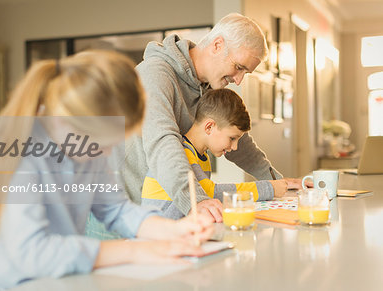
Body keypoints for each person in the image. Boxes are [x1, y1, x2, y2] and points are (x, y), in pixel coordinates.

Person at [0, 50, 213, 290]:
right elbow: (33, 253)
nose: (107, 154)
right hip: (4, 283)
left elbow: (116, 209)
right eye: (103, 143)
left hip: (58, 276)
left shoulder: (85, 143)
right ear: (64, 121)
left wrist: (172, 230)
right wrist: (135, 251)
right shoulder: (16, 153)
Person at [124, 12, 302, 223]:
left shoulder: (207, 87)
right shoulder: (155, 75)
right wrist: (196, 202)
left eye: (245, 73)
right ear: (217, 45)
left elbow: (241, 144)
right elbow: (162, 142)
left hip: (160, 217)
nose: (238, 80)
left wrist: (278, 182)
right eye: (238, 67)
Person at [142, 89, 287, 219]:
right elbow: (210, 194)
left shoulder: (202, 156)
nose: (235, 147)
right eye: (232, 138)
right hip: (160, 235)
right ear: (209, 126)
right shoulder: (182, 153)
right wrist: (268, 188)